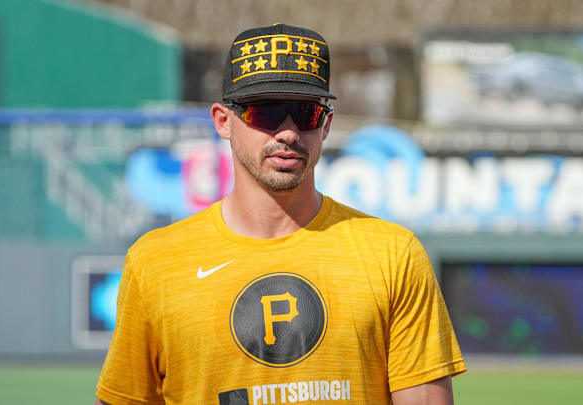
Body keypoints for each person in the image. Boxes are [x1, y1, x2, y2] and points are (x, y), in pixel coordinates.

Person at [95, 23, 466, 405]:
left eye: (305, 113)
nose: (288, 133)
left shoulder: (393, 254)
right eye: (266, 112)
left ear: (326, 125)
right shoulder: (156, 261)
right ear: (223, 120)